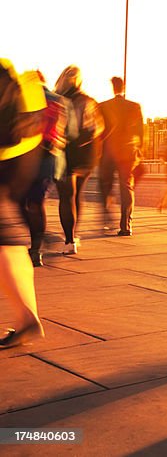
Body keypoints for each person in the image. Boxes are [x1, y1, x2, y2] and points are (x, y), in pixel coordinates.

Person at [0, 59, 47, 348]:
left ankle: (29, 320)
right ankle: (28, 319)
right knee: (10, 245)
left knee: (8, 244)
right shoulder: (10, 75)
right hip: (10, 167)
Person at [20, 73, 69, 266]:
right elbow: (65, 133)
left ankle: (38, 239)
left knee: (20, 202)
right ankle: (36, 250)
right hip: (49, 157)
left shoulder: (23, 99)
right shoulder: (58, 101)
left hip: (26, 157)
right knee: (37, 203)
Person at [55, 66, 104, 249]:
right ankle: (73, 236)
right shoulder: (88, 101)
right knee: (77, 195)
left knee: (66, 196)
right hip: (85, 156)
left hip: (63, 153)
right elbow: (97, 128)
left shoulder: (57, 99)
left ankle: (69, 239)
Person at [98, 77, 143, 236]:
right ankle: (126, 225)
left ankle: (107, 215)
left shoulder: (103, 106)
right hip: (127, 153)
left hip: (108, 153)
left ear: (113, 87)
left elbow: (99, 131)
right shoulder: (134, 106)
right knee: (126, 187)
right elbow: (140, 132)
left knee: (105, 185)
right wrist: (138, 151)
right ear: (124, 87)